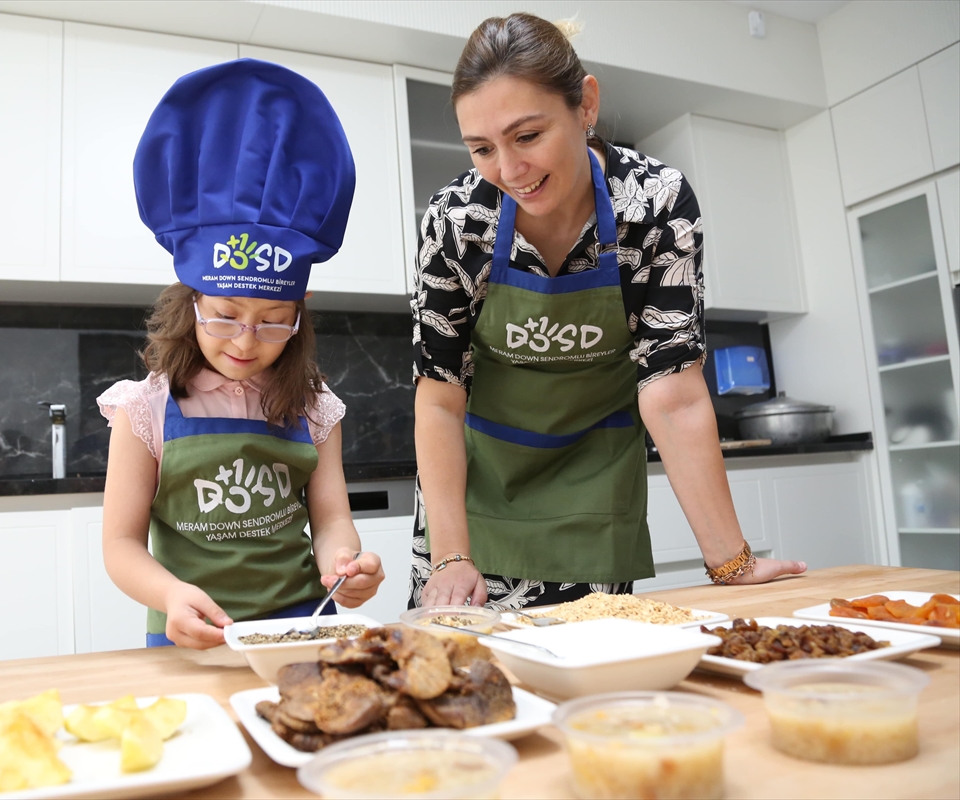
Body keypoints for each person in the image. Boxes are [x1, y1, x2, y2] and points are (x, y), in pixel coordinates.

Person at [410, 14, 807, 612]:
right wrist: (450, 556)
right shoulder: (456, 220)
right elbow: (440, 397)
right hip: (469, 504)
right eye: (482, 148)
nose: (509, 171)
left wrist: (732, 562)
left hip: (591, 497)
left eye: (527, 136)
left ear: (586, 105)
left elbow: (673, 395)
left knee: (591, 662)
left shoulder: (654, 205)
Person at [98, 59, 384, 649]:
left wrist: (345, 564)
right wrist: (170, 595)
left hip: (303, 628)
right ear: (191, 302)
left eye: (274, 322)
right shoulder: (144, 409)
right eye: (225, 316)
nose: (246, 341)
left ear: (300, 315)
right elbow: (120, 545)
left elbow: (331, 518)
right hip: (192, 636)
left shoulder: (314, 406)